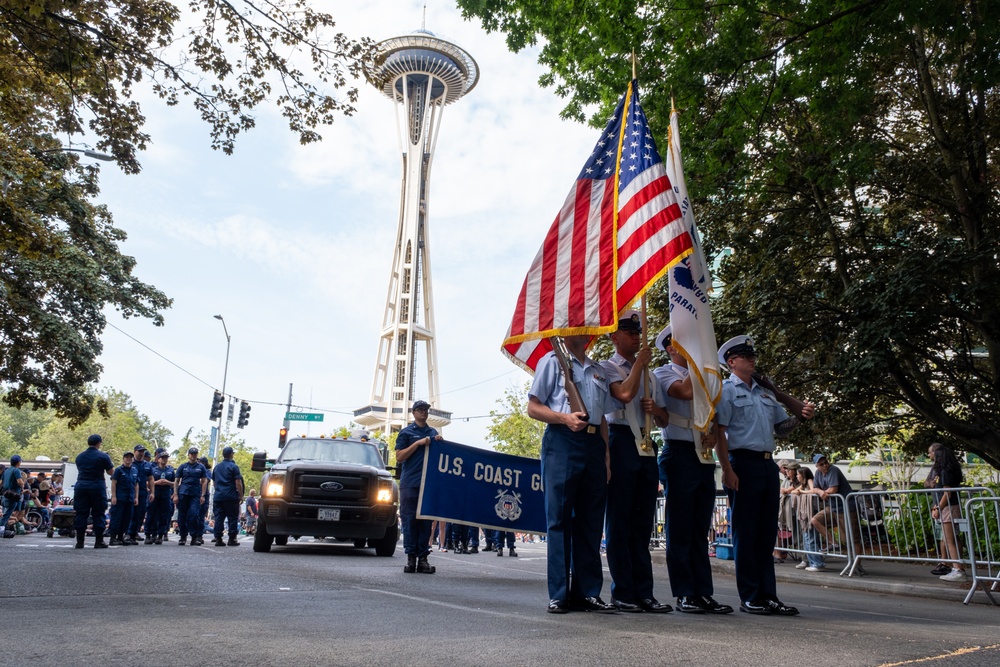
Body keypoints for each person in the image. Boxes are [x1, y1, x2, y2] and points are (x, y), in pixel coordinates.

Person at [715, 335, 815, 616]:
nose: (752, 359)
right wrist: (727, 469)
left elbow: (781, 428)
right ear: (731, 362)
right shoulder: (726, 390)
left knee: (765, 533)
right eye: (745, 356)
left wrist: (800, 417)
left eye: (752, 354)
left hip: (767, 464)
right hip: (742, 463)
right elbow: (720, 433)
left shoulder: (764, 392)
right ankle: (750, 596)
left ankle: (768, 595)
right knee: (746, 534)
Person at [527, 334, 617, 614]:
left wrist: (606, 456)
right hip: (563, 440)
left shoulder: (598, 370)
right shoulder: (552, 362)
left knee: (590, 521)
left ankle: (588, 592)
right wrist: (564, 417)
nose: (586, 331)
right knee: (559, 519)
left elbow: (602, 417)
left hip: (593, 444)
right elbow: (533, 407)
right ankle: (559, 593)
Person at [645, 325, 731, 614]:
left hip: (703, 456)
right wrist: (701, 364)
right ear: (670, 348)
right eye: (684, 344)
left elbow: (712, 414)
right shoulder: (665, 373)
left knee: (698, 530)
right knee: (680, 529)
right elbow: (683, 392)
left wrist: (711, 436)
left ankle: (703, 592)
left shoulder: (705, 375)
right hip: (679, 454)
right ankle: (684, 592)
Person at [600, 312, 671, 614]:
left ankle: (645, 592)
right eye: (629, 332)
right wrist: (639, 364)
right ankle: (623, 591)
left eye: (637, 332)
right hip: (620, 438)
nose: (636, 336)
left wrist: (656, 409)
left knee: (642, 524)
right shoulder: (608, 367)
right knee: (620, 521)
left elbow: (664, 419)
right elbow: (624, 395)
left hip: (645, 443)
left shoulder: (652, 377)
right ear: (615, 338)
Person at [395, 399, 442, 574]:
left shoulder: (433, 432)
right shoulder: (406, 433)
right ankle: (410, 558)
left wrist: (438, 442)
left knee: (425, 523)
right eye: (420, 409)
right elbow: (400, 457)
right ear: (413, 413)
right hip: (410, 484)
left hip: (428, 484)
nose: (424, 412)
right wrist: (417, 443)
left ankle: (423, 559)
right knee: (409, 521)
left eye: (426, 410)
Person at [927, 443, 967, 582]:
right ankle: (958, 568)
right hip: (951, 507)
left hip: (948, 508)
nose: (930, 456)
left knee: (950, 540)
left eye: (932, 453)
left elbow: (947, 493)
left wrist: (938, 508)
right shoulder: (951, 469)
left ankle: (958, 569)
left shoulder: (945, 471)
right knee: (952, 539)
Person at [72, 434, 115, 549]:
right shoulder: (103, 456)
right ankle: (99, 541)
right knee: (98, 513)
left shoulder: (80, 456)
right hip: (96, 486)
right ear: (98, 443)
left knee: (81, 514)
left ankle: (80, 541)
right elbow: (111, 472)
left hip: (81, 486)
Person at [810, 453, 856, 558]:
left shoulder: (834, 470)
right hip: (833, 507)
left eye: (826, 462)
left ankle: (856, 563)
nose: (825, 465)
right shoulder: (818, 473)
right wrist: (821, 492)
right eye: (821, 464)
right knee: (815, 520)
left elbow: (833, 489)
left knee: (851, 538)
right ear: (817, 466)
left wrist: (824, 493)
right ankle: (833, 543)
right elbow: (815, 488)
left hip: (845, 506)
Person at [173, 447, 208, 546]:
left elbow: (204, 481)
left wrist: (203, 495)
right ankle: (183, 536)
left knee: (194, 515)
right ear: (188, 455)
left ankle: (194, 537)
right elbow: (176, 481)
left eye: (195, 454)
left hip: (195, 494)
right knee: (182, 516)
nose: (193, 456)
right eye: (192, 454)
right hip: (183, 493)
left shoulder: (201, 467)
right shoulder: (183, 466)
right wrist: (175, 494)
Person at [791, 467, 824, 571]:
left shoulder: (810, 480)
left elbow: (813, 490)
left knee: (811, 538)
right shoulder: (803, 484)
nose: (797, 476)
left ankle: (817, 563)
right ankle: (813, 562)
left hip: (811, 512)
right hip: (806, 514)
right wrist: (798, 491)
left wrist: (801, 492)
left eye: (798, 474)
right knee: (807, 539)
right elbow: (794, 491)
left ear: (803, 475)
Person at [212, 446, 245, 547]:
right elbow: (238, 482)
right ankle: (232, 539)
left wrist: (218, 490)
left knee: (219, 518)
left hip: (218, 496)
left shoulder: (217, 467)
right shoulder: (233, 467)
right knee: (232, 518)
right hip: (230, 496)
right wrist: (241, 495)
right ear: (231, 454)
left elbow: (214, 482)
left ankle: (218, 538)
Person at [108, 452, 139, 546]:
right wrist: (113, 496)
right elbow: (114, 483)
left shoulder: (134, 470)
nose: (129, 459)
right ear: (123, 459)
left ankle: (121, 537)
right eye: (127, 457)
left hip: (130, 498)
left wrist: (136, 497)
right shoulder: (118, 470)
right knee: (116, 518)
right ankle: (113, 538)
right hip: (120, 498)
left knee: (126, 519)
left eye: (130, 457)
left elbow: (136, 484)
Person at [147, 451, 175, 544]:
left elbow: (176, 483)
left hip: (165, 494)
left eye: (166, 458)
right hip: (154, 494)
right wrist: (156, 482)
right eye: (162, 458)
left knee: (164, 515)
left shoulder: (170, 470)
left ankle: (160, 535)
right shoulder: (152, 469)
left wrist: (167, 482)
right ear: (158, 459)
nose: (164, 460)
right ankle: (149, 534)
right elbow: (147, 483)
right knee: (151, 514)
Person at [127, 445, 153, 545]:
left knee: (140, 514)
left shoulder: (147, 465)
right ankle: (127, 533)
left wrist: (152, 492)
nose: (141, 453)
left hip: (142, 492)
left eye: (142, 451)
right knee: (130, 514)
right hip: (130, 492)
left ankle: (133, 534)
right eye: (139, 451)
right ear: (135, 452)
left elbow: (150, 479)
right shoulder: (130, 463)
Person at [2, 455, 25, 538]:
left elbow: (1, 482)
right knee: (7, 514)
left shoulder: (6, 471)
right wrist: (22, 486)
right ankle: (1, 530)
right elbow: (19, 481)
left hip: (5, 494)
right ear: (18, 462)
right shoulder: (16, 470)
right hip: (13, 495)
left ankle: (3, 528)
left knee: (5, 512)